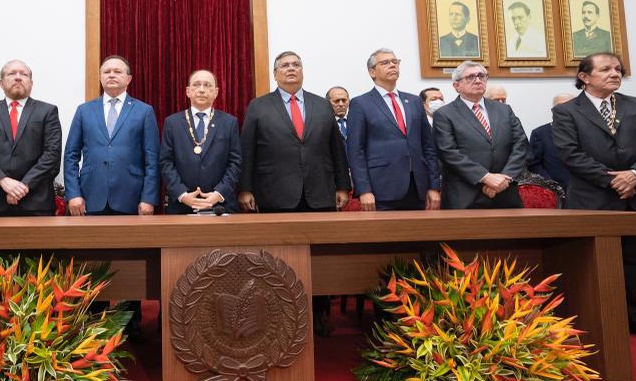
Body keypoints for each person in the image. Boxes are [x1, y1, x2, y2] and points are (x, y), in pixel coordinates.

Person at [552, 53, 636, 343]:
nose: (614, 73)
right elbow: (570, 155)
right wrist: (615, 180)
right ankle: (597, 322)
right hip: (593, 200)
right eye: (605, 69)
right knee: (593, 265)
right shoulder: (567, 112)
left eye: (617, 69)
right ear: (584, 77)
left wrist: (635, 174)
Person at [239, 52, 350, 336]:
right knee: (279, 259)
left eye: (296, 65)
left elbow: (336, 149)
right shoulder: (259, 106)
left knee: (318, 260)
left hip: (319, 193)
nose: (291, 69)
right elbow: (247, 151)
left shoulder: (321, 105)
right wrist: (246, 188)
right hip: (276, 194)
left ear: (302, 71)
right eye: (285, 66)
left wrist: (341, 185)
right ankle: (279, 317)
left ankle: (318, 315)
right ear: (275, 73)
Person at [64, 55, 158, 337]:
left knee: (132, 259)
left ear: (129, 79)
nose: (112, 75)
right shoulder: (84, 111)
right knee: (94, 259)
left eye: (118, 71)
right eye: (107, 71)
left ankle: (131, 320)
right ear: (101, 77)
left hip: (131, 199)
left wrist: (149, 198)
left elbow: (152, 158)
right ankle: (95, 318)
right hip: (90, 199)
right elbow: (70, 156)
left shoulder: (143, 111)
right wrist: (73, 194)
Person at [346, 49, 441, 211]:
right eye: (385, 63)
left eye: (395, 62)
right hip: (381, 188)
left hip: (418, 187)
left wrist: (434, 186)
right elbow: (356, 151)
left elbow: (428, 147)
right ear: (372, 72)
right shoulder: (360, 104)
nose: (392, 65)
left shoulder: (414, 101)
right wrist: (364, 190)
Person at [432, 61, 528, 209]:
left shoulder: (504, 110)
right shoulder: (444, 114)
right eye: (470, 77)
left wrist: (505, 179)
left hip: (505, 193)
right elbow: (448, 152)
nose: (477, 80)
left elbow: (520, 144)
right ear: (456, 86)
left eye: (481, 76)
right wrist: (486, 177)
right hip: (466, 195)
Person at [0, 60, 62, 216]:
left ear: (31, 83)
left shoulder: (48, 111)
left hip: (37, 201)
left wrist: (24, 186)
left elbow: (52, 153)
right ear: (1, 83)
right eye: (12, 73)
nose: (18, 77)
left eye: (24, 74)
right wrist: (3, 182)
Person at [160, 70, 241, 214]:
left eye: (208, 85)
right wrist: (182, 194)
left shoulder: (229, 122)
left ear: (216, 92)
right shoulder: (172, 123)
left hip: (220, 205)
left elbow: (235, 163)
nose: (202, 90)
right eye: (197, 85)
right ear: (188, 91)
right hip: (181, 206)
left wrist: (218, 194)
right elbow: (166, 162)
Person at [527, 93, 575, 189]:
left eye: (568, 106)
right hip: (553, 191)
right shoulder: (539, 134)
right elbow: (534, 165)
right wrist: (551, 185)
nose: (563, 110)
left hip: (584, 191)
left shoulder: (586, 132)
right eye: (559, 106)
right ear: (552, 111)